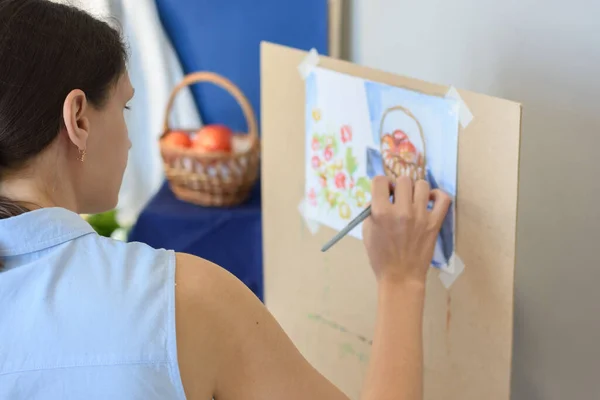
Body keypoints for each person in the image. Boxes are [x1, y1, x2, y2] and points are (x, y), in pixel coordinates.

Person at [0, 1, 451, 399]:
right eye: (126, 108)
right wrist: (401, 281)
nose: (134, 140)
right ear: (77, 117)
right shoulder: (183, 300)